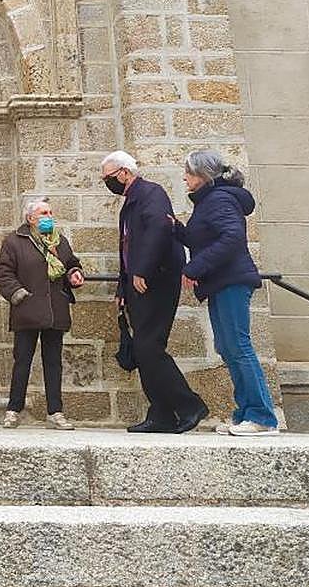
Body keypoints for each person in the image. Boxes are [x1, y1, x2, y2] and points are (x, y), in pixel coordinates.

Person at [102, 150, 208, 433]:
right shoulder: (131, 202)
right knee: (144, 348)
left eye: (109, 177)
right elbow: (127, 249)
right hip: (139, 283)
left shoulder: (151, 193)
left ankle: (190, 405)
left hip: (156, 280)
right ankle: (161, 414)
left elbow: (160, 229)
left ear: (125, 172)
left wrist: (143, 270)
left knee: (149, 347)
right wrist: (123, 287)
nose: (107, 183)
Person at [174, 150, 279, 436]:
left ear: (203, 175)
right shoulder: (210, 201)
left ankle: (261, 417)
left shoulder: (219, 199)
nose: (184, 177)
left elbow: (232, 238)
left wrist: (194, 268)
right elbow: (200, 237)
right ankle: (246, 413)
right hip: (220, 282)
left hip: (231, 281)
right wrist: (175, 228)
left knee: (239, 347)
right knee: (228, 347)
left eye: (189, 172)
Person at [0, 198, 86, 430]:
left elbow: (71, 263)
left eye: (50, 212)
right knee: (22, 361)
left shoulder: (60, 241)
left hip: (55, 309)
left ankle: (55, 412)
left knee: (53, 363)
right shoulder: (14, 241)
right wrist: (19, 294)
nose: (49, 216)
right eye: (44, 213)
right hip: (27, 310)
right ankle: (13, 410)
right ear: (30, 218)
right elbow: (4, 273)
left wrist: (75, 273)